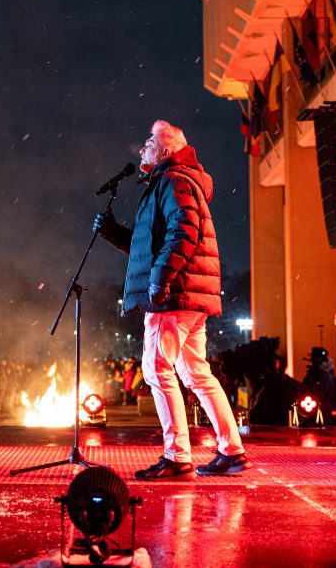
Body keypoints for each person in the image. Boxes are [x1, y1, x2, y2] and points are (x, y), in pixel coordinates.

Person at [94, 120, 250, 479]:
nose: (143, 146)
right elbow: (157, 242)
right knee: (195, 371)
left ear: (165, 151)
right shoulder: (174, 181)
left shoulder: (173, 180)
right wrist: (116, 235)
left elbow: (184, 232)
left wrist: (160, 282)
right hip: (190, 290)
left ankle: (178, 455)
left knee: (156, 368)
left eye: (150, 140)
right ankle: (231, 449)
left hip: (176, 293)